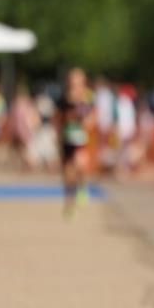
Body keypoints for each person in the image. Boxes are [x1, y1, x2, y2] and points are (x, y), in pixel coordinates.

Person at [55, 68, 95, 218]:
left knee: (81, 164)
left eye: (78, 82)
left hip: (82, 139)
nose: (75, 85)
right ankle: (69, 204)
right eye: (72, 82)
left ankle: (83, 186)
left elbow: (94, 114)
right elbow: (58, 118)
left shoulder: (89, 97)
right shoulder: (64, 99)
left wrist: (89, 122)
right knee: (68, 175)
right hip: (67, 139)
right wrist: (58, 135)